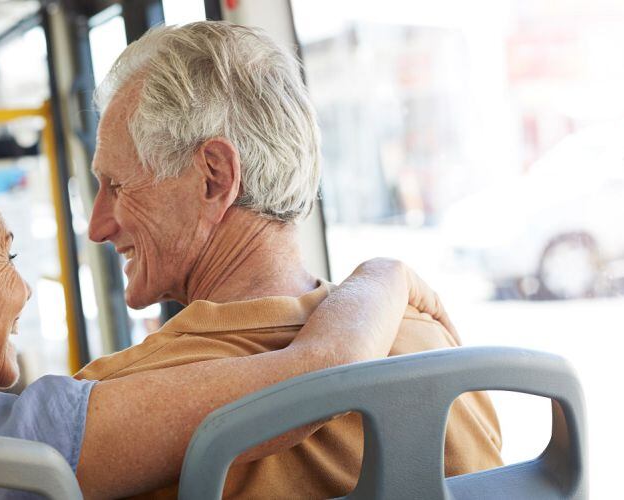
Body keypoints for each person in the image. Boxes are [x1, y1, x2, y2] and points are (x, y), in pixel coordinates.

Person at [0, 147, 450, 500]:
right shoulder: (18, 446)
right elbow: (321, 376)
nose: (21, 290)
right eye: (6, 257)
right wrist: (387, 273)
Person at [78, 21, 503, 498]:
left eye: (116, 186)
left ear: (214, 179)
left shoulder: (116, 402)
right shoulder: (435, 346)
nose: (97, 227)